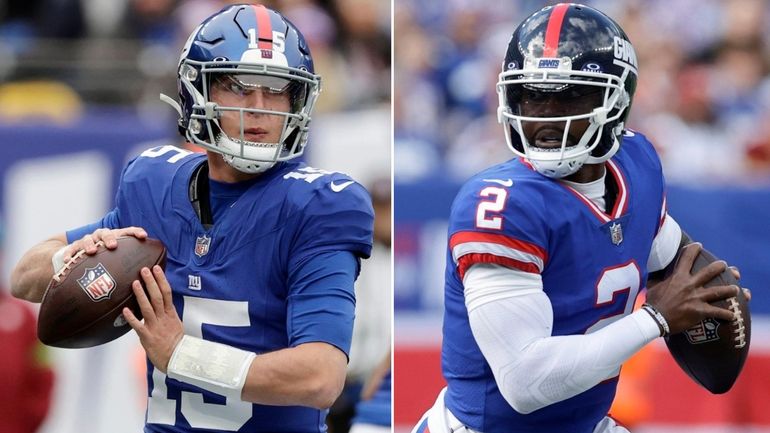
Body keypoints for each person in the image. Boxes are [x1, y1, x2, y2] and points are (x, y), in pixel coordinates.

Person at [10, 4, 374, 433]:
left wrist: (182, 355)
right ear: (196, 91)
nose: (260, 108)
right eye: (239, 86)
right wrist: (74, 256)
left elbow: (320, 377)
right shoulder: (154, 184)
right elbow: (23, 278)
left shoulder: (318, 205)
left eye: (277, 90)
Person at [411, 4, 748, 433]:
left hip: (585, 423)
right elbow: (524, 382)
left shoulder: (636, 162)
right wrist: (656, 318)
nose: (549, 115)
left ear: (617, 100)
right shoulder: (500, 203)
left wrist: (709, 288)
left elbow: (671, 256)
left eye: (571, 95)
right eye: (533, 95)